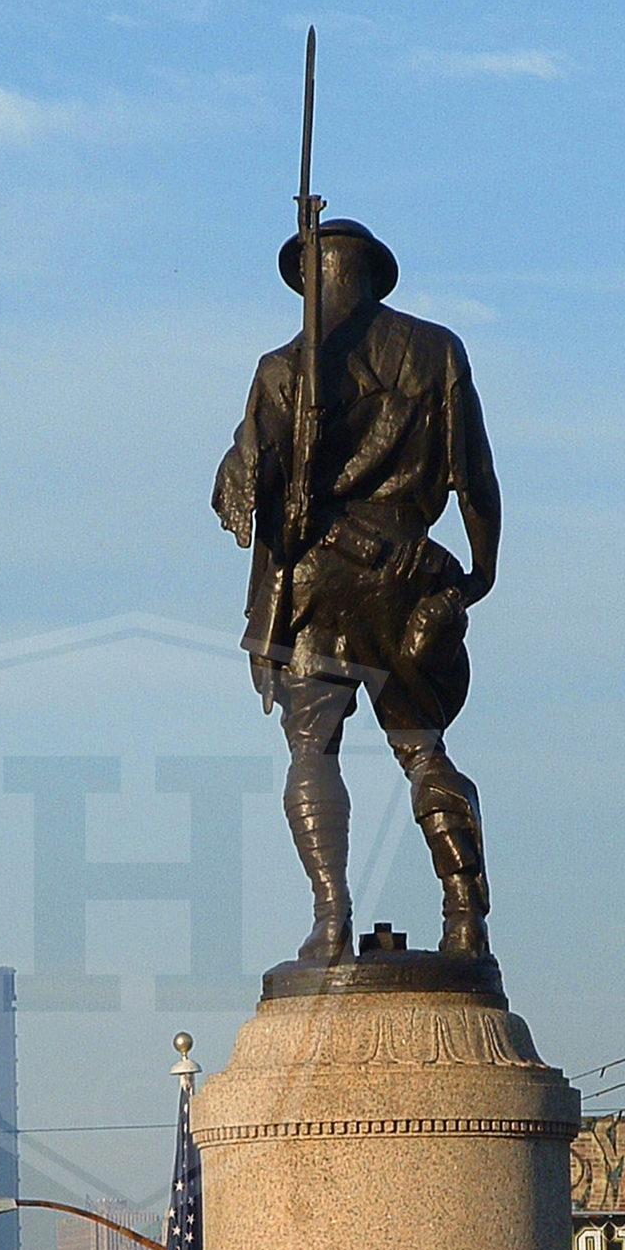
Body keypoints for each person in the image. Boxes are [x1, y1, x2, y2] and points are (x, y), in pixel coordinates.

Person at [212, 218, 502, 963]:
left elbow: (250, 485)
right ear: (370, 272)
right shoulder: (437, 350)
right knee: (423, 746)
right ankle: (464, 917)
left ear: (312, 276)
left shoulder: (282, 367)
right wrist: (476, 575)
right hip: (407, 579)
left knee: (311, 746)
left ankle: (330, 917)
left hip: (314, 584)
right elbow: (474, 479)